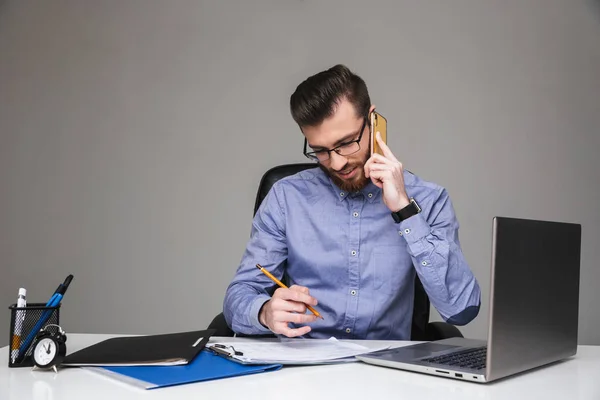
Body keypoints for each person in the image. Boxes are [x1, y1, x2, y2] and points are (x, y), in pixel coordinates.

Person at [223, 64, 481, 339]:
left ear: (373, 121)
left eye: (347, 143)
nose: (337, 162)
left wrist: (406, 211)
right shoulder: (286, 197)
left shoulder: (427, 200)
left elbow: (462, 309)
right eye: (320, 150)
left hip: (388, 372)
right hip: (301, 370)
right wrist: (264, 312)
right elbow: (239, 295)